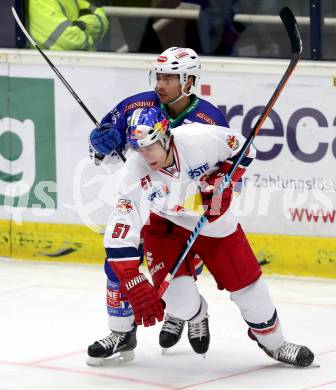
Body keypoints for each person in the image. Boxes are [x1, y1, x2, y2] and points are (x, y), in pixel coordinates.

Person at [88, 106, 314, 368]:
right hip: (166, 227)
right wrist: (131, 276)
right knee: (179, 304)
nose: (145, 155)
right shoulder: (133, 173)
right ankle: (197, 316)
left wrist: (224, 180)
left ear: (165, 137)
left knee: (251, 292)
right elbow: (122, 226)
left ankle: (275, 344)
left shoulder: (199, 138)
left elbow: (244, 148)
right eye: (138, 148)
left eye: (149, 146)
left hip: (216, 225)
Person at [87, 47, 230, 363]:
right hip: (141, 198)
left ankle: (187, 313)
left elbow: (226, 169)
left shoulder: (210, 120)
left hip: (181, 208)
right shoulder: (135, 106)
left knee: (178, 267)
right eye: (158, 76)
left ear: (189, 81)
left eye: (169, 78)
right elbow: (101, 149)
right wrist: (99, 145)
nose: (160, 84)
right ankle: (121, 333)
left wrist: (218, 189)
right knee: (118, 263)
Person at [28, 0, 109, 51]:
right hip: (52, 68)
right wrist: (89, 30)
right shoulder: (39, 2)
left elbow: (101, 18)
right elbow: (70, 41)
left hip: (77, 67)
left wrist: (84, 25)